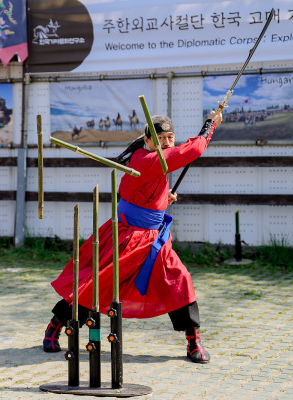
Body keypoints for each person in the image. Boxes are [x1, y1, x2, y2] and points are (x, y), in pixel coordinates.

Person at [43, 110, 223, 364]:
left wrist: (162, 199)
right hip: (128, 237)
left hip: (154, 238)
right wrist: (210, 125)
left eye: (170, 138)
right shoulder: (145, 159)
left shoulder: (153, 159)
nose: (167, 143)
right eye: (160, 139)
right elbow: (193, 150)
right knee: (97, 285)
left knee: (179, 278)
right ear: (147, 140)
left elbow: (141, 192)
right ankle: (55, 325)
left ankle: (193, 340)